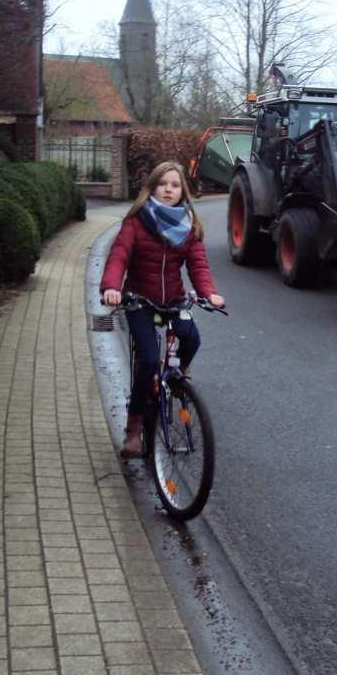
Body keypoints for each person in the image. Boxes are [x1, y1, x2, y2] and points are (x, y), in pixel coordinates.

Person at [100, 161, 225, 459]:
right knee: (147, 359)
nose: (169, 189)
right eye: (163, 184)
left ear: (183, 191)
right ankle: (134, 430)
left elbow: (198, 265)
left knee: (191, 338)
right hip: (139, 300)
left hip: (174, 300)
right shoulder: (136, 221)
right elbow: (119, 255)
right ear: (153, 187)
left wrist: (209, 293)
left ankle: (176, 378)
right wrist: (111, 286)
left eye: (175, 185)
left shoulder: (189, 224)